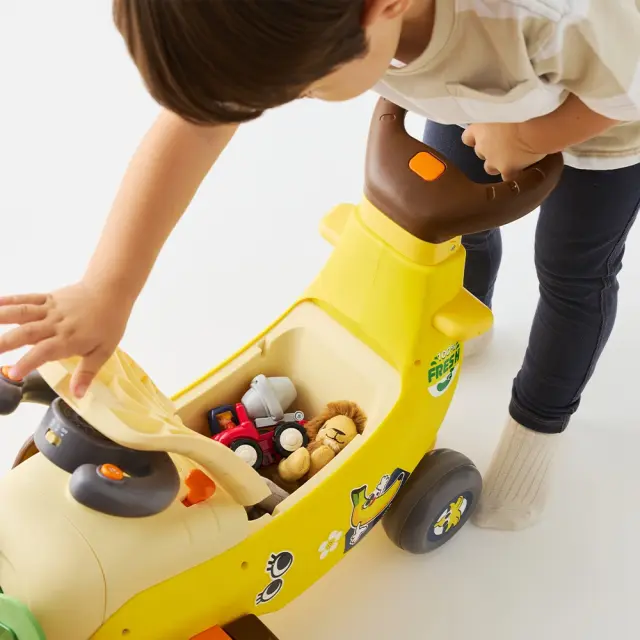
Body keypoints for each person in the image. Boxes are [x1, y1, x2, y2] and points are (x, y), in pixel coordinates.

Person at [1, 0, 639, 530]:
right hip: (476, 92)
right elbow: (198, 123)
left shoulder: (563, 15)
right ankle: (467, 329)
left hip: (607, 118)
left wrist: (531, 135)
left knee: (572, 275)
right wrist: (107, 288)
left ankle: (537, 430)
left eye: (302, 87)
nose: (290, 100)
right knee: (456, 224)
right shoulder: (300, 20)